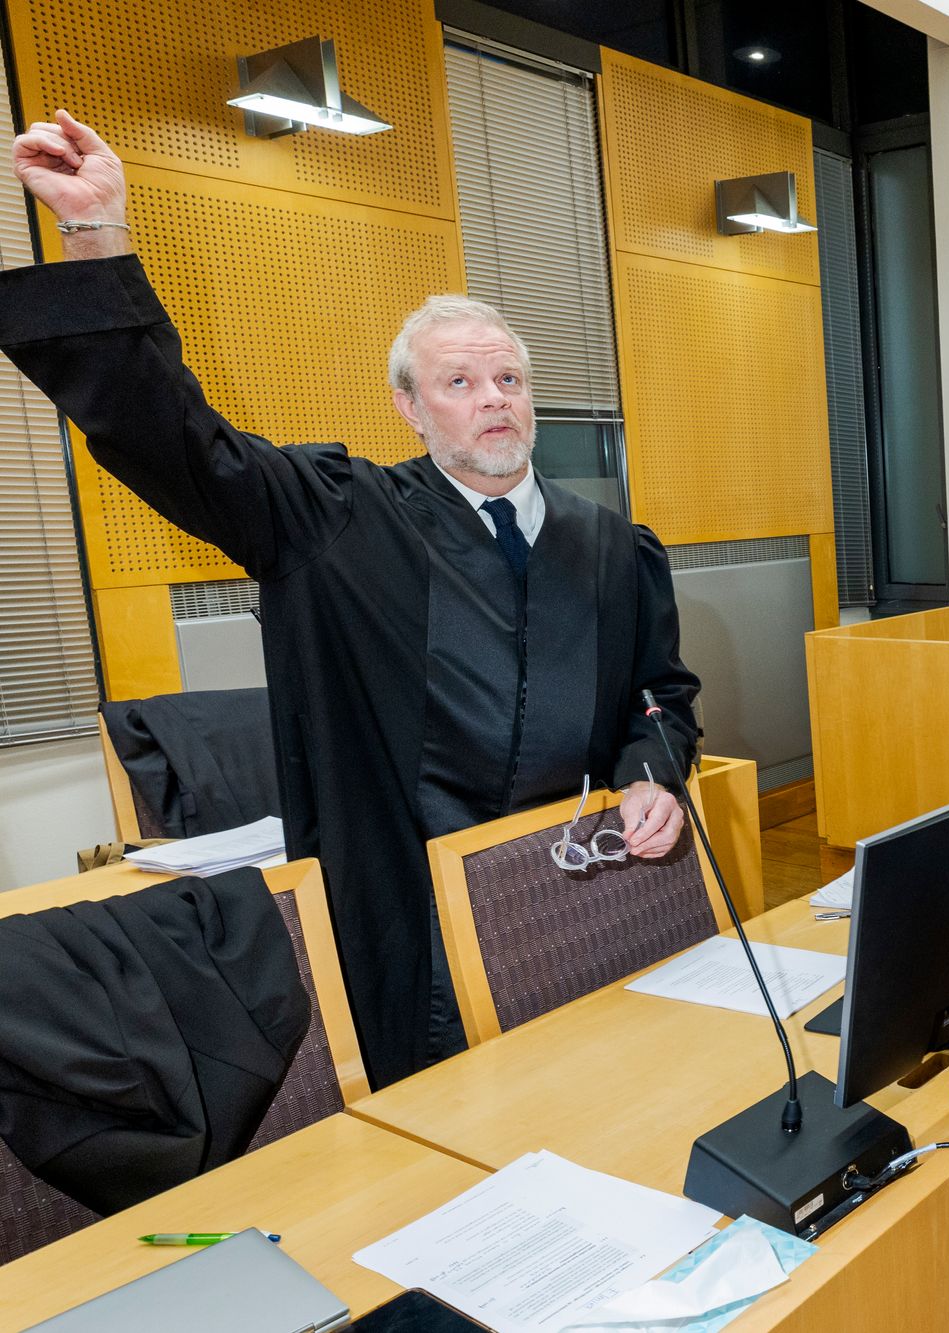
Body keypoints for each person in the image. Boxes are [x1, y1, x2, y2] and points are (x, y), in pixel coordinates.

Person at [2, 111, 702, 1089]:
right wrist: (95, 234)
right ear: (411, 410)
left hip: (583, 883)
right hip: (408, 923)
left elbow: (657, 698)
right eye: (458, 381)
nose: (493, 396)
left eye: (508, 377)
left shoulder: (614, 548)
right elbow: (172, 438)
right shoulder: (332, 518)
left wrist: (650, 772)